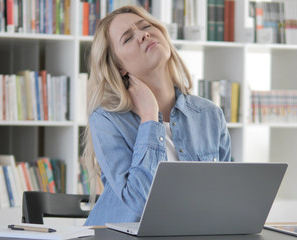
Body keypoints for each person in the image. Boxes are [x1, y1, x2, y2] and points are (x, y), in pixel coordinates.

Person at [82, 5, 231, 226]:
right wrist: (149, 117)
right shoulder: (106, 120)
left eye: (146, 26)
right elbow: (140, 202)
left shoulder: (210, 114)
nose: (143, 35)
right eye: (128, 38)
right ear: (119, 66)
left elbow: (225, 197)